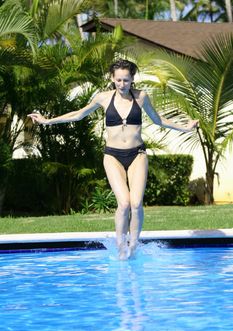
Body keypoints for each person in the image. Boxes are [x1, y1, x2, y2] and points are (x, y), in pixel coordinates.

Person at [28, 59, 198, 260]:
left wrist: (185, 127)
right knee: (124, 203)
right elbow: (78, 115)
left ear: (132, 79)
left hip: (137, 155)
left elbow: (158, 120)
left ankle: (133, 246)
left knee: (136, 203)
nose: (122, 84)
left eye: (126, 80)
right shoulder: (103, 98)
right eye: (118, 80)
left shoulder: (141, 97)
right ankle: (120, 246)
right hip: (113, 156)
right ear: (112, 78)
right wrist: (48, 121)